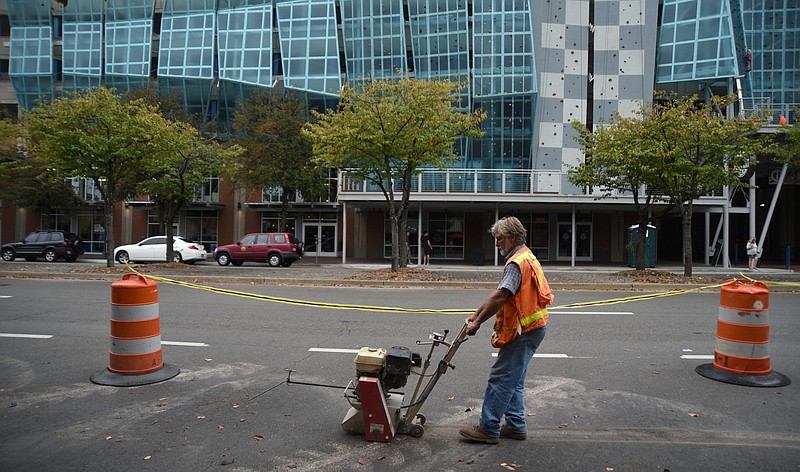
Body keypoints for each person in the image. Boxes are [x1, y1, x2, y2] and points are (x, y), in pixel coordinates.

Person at [459, 216, 554, 444]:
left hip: (522, 331)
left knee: (500, 378)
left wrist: (477, 322)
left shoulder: (516, 263)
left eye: (499, 239)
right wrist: (477, 314)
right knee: (514, 380)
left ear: (512, 238)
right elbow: (500, 294)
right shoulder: (527, 257)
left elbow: (501, 296)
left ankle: (488, 428)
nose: (496, 243)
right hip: (532, 328)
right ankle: (515, 426)